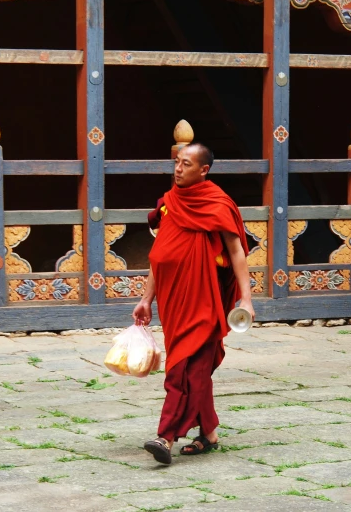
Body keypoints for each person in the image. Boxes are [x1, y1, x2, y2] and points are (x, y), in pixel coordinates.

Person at [132, 142, 255, 465]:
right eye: (176, 162)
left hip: (204, 302)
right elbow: (160, 257)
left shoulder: (216, 205)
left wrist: (246, 298)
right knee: (193, 370)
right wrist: (146, 299)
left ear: (204, 170)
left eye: (186, 164)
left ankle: (166, 436)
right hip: (173, 302)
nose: (178, 169)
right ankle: (209, 433)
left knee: (184, 370)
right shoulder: (171, 204)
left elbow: (237, 252)